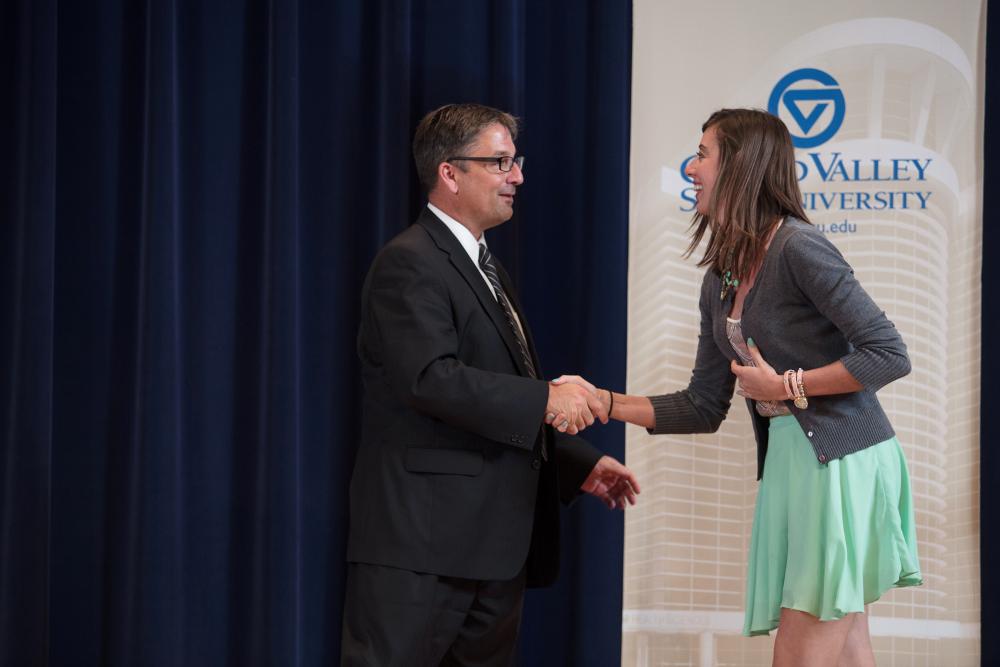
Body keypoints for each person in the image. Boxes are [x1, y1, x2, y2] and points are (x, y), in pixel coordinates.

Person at [554, 108, 921, 666]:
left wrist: (788, 384)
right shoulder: (719, 277)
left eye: (703, 154)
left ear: (742, 166)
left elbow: (889, 354)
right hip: (792, 465)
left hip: (842, 461)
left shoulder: (798, 247)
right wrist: (604, 402)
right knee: (847, 650)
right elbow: (702, 405)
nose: (691, 167)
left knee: (802, 652)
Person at [342, 103, 640, 667]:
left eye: (516, 161)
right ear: (450, 173)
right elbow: (430, 379)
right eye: (500, 162)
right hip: (422, 549)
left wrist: (573, 462)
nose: (518, 176)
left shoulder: (487, 266)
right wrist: (547, 399)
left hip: (491, 552)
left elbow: (494, 392)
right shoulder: (409, 262)